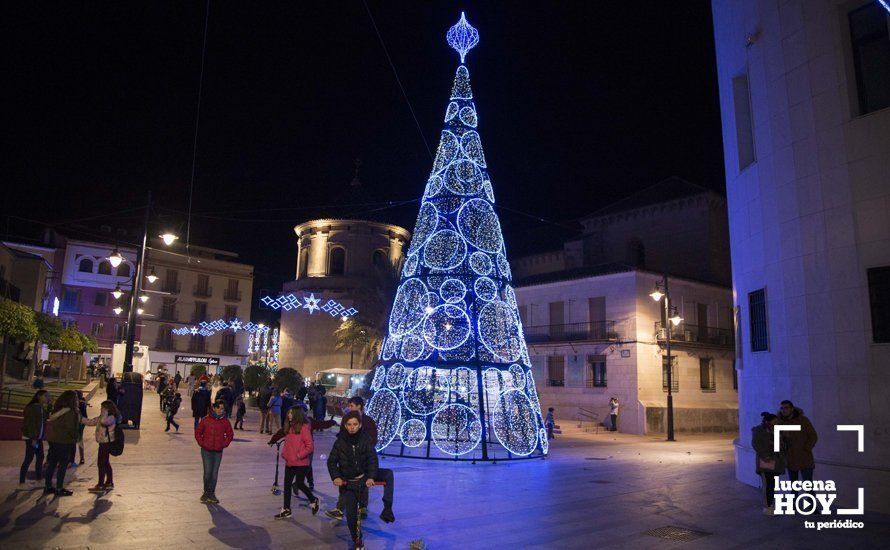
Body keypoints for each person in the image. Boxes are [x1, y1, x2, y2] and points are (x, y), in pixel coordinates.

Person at [326, 396, 394, 524]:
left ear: (359, 406)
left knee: (370, 478)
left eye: (352, 405)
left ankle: (369, 508)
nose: (349, 408)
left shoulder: (367, 423)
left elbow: (372, 449)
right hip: (350, 461)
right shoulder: (346, 425)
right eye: (350, 425)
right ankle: (341, 509)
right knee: (347, 476)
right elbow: (338, 445)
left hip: (363, 460)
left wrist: (363, 449)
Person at [327, 411, 379, 549]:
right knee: (350, 516)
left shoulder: (365, 439)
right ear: (345, 425)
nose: (352, 427)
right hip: (348, 483)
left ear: (360, 425)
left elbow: (372, 460)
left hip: (362, 481)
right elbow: (332, 461)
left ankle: (363, 508)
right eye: (349, 424)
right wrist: (336, 476)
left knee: (360, 514)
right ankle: (357, 540)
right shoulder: (340, 442)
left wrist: (371, 477)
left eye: (355, 424)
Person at [269, 407, 319, 519]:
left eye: (291, 413)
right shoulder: (289, 427)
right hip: (289, 461)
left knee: (300, 483)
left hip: (301, 463)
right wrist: (284, 453)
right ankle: (286, 509)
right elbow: (288, 443)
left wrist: (299, 455)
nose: (289, 415)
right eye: (288, 412)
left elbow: (310, 446)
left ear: (297, 414)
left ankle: (313, 499)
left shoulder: (304, 428)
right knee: (287, 485)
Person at [195, 400, 233, 504]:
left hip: (218, 451)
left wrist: (223, 444)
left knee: (214, 474)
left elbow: (230, 434)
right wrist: (202, 443)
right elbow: (198, 432)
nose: (221, 410)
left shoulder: (225, 421)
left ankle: (211, 493)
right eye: (219, 408)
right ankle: (206, 493)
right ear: (214, 408)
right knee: (207, 473)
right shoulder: (206, 420)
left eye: (223, 409)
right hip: (206, 451)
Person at [44, 390, 80, 496]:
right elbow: (70, 427)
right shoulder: (71, 411)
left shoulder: (59, 409)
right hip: (63, 440)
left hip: (53, 439)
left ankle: (48, 486)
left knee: (52, 463)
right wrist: (75, 437)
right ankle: (59, 488)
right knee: (63, 465)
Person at [82, 400, 120, 493]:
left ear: (107, 409)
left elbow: (103, 422)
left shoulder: (110, 417)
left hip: (106, 443)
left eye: (102, 408)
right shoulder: (102, 417)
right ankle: (109, 482)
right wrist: (80, 418)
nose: (101, 409)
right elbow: (91, 422)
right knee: (105, 462)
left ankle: (101, 484)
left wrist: (105, 413)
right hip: (102, 442)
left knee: (101, 463)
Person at [752, 411, 785, 515]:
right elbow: (756, 444)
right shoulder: (759, 429)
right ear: (768, 421)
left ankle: (772, 504)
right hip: (765, 462)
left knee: (773, 485)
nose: (777, 423)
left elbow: (780, 445)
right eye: (775, 421)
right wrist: (765, 455)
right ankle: (767, 507)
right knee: (767, 485)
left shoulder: (776, 431)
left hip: (775, 462)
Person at [777, 400, 818, 483]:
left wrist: (806, 448)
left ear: (792, 409)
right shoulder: (779, 422)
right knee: (793, 487)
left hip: (805, 458)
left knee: (808, 486)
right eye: (782, 408)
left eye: (786, 408)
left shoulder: (803, 420)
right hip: (790, 458)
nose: (784, 410)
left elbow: (813, 436)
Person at [20, 390, 49, 486]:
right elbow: (31, 424)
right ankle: (22, 482)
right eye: (45, 396)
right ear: (39, 396)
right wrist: (33, 438)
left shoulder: (41, 408)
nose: (47, 398)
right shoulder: (33, 408)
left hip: (38, 438)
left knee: (40, 457)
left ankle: (39, 479)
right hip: (32, 438)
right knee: (29, 458)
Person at [75, 391, 88, 464]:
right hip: (80, 423)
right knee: (79, 440)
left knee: (79, 440)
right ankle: (82, 457)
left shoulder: (81, 404)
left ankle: (82, 457)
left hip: (79, 423)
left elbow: (83, 415)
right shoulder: (82, 403)